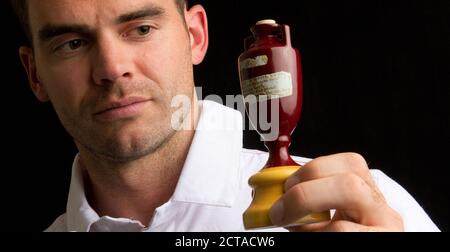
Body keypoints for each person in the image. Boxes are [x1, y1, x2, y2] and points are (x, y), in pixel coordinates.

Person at [10, 0, 439, 232]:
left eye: (141, 28)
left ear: (195, 37)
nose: (110, 68)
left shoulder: (362, 212)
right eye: (70, 43)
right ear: (34, 75)